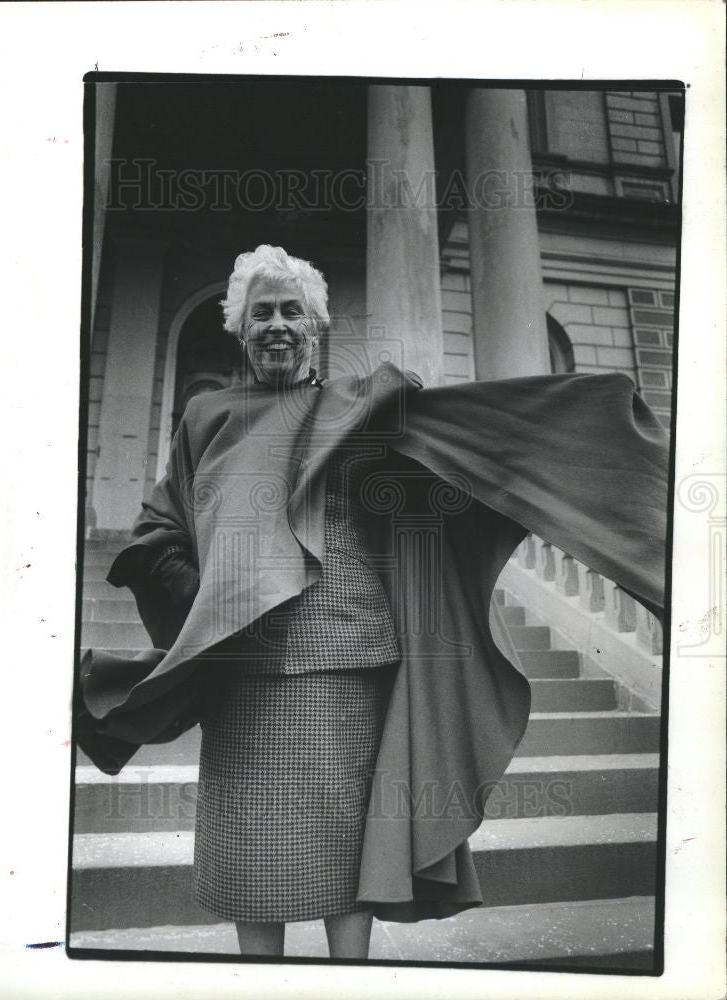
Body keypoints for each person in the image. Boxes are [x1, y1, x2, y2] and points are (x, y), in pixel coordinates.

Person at [77, 245, 669, 961]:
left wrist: (573, 425)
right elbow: (158, 530)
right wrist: (202, 590)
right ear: (238, 328)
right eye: (260, 312)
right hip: (240, 668)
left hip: (348, 656)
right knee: (250, 859)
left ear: (315, 326)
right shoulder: (205, 416)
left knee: (343, 857)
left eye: (291, 311)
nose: (275, 325)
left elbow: (458, 452)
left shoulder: (360, 405)